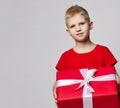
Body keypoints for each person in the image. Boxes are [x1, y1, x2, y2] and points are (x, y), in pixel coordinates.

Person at [53, 4, 120, 104]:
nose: (78, 29)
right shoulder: (65, 58)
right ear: (68, 32)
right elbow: (60, 84)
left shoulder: (103, 51)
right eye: (73, 26)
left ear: (90, 25)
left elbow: (116, 79)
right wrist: (55, 90)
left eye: (82, 23)